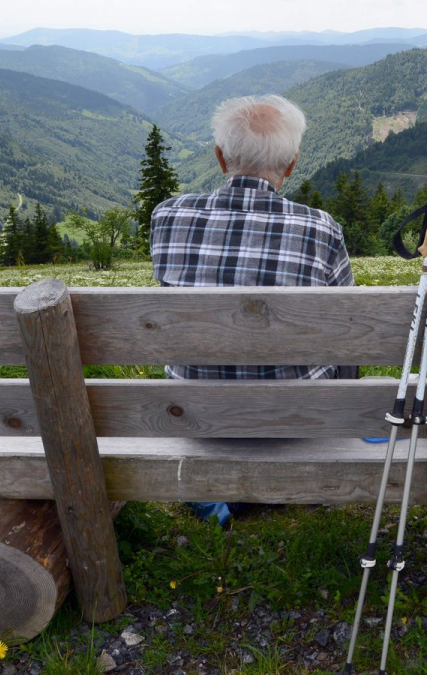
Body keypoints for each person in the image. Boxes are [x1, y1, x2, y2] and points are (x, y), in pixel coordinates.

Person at [150, 94, 354, 524]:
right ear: (292, 164)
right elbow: (347, 333)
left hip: (195, 416)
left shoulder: (167, 217)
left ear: (220, 157)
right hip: (293, 419)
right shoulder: (320, 228)